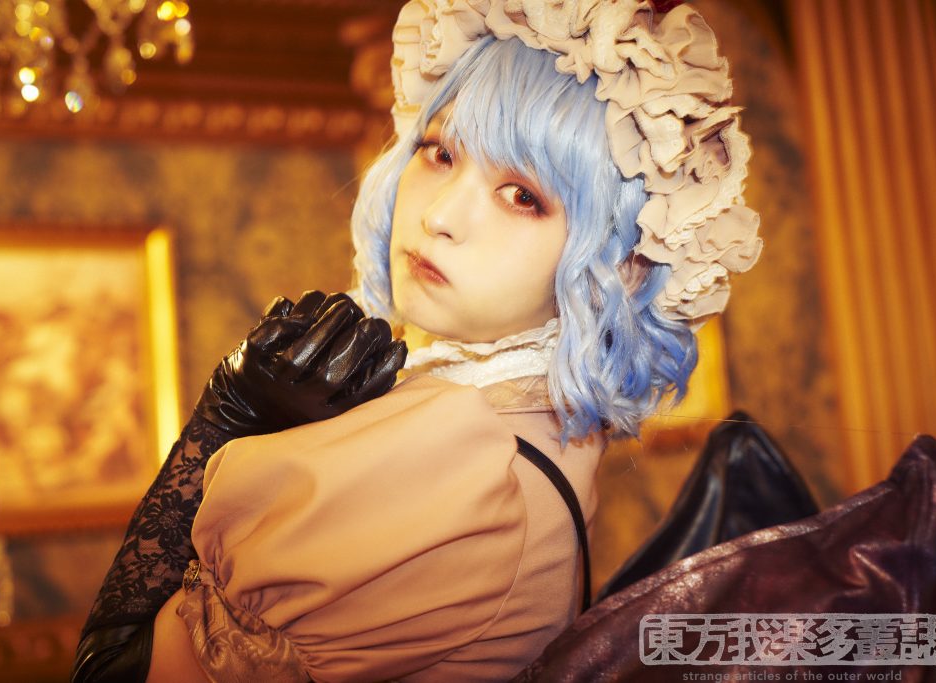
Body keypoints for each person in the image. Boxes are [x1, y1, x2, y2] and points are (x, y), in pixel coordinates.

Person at [73, 0, 761, 681]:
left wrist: (223, 416)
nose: (440, 215)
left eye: (522, 195)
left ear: (617, 264)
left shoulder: (467, 475)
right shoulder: (515, 434)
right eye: (441, 152)